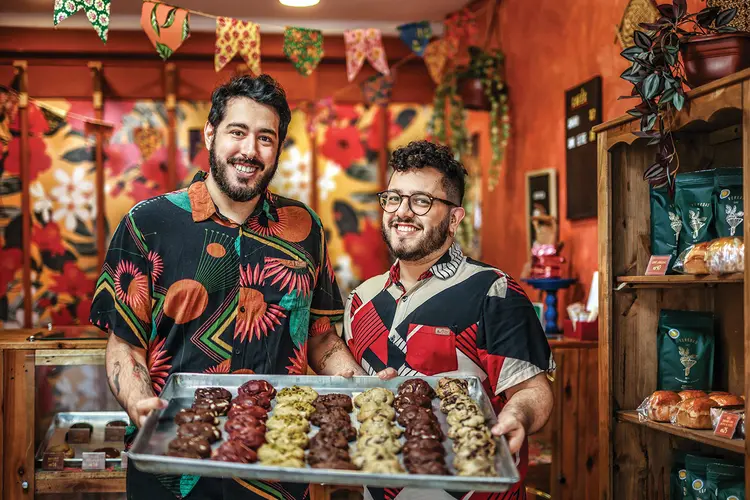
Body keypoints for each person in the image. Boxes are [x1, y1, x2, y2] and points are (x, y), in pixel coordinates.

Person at [89, 74, 365, 499]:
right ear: (211, 133)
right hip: (172, 460)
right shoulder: (148, 223)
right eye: (238, 132)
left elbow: (322, 337)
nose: (250, 151)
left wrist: (361, 386)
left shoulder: (305, 228)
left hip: (277, 468)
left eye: (265, 138)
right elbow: (124, 344)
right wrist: (139, 401)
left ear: (278, 147)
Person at [342, 140, 555, 500]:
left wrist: (517, 416)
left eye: (421, 201)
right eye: (394, 198)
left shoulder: (493, 291)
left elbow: (533, 391)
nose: (402, 212)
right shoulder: (361, 299)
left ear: (455, 218)